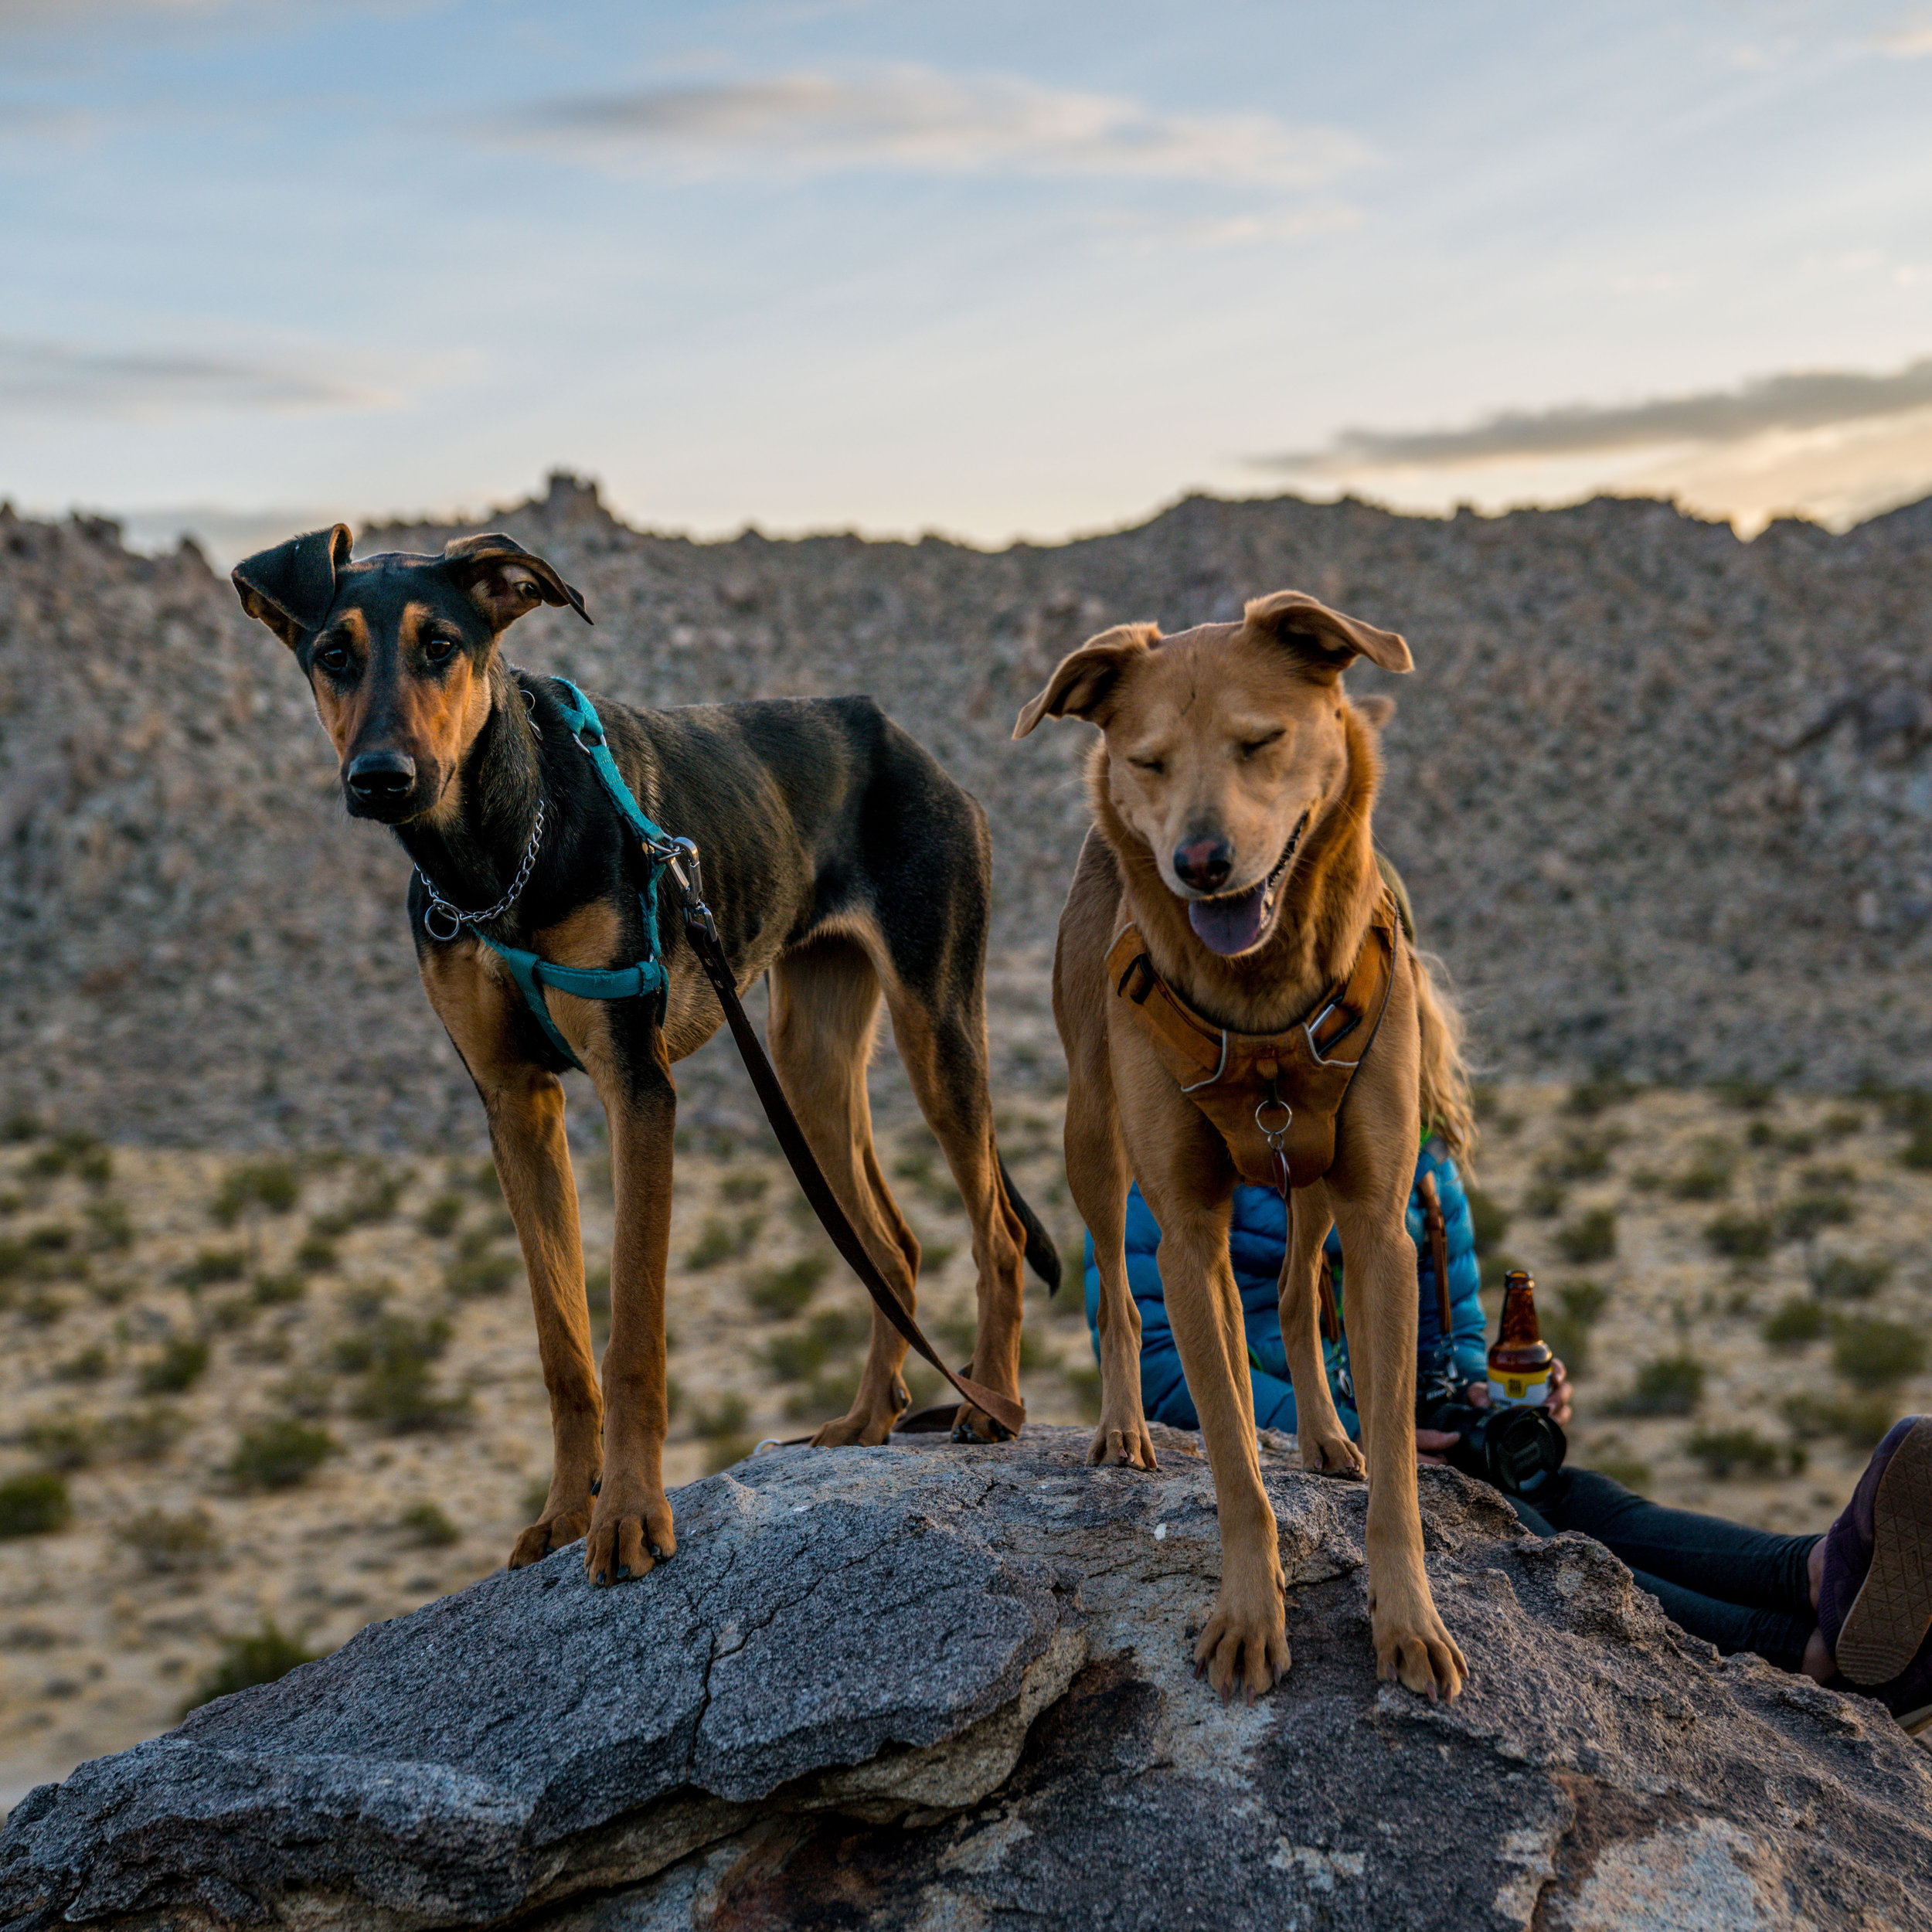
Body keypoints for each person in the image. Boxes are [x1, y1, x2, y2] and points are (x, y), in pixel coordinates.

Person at [1083, 1151, 1932, 1736]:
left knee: (1591, 1500)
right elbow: (1162, 1364)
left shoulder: (1413, 1153)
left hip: (1425, 1430)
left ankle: (1822, 1571)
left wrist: (1492, 1393)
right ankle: (1811, 1658)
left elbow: (1450, 1334)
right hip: (1316, 1452)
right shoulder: (1181, 1140)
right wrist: (1356, 1429)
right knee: (1531, 1536)